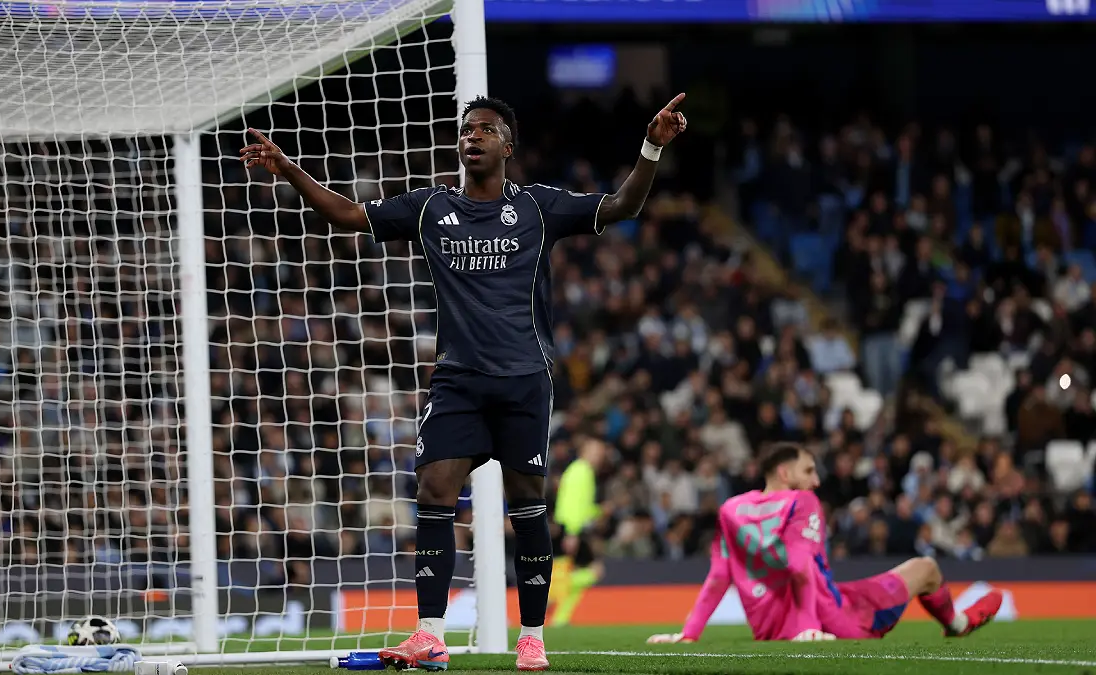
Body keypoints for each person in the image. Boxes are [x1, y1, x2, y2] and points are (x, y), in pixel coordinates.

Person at [241, 94, 687, 671]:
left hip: (524, 378)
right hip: (458, 381)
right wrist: (288, 169)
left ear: (508, 145)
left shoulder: (538, 207)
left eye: (485, 129)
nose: (471, 137)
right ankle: (429, 632)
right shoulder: (430, 208)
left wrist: (651, 146)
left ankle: (532, 636)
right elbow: (349, 215)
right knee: (433, 491)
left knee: (527, 504)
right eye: (466, 130)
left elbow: (624, 204)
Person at [647, 443, 1003, 644]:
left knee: (918, 570)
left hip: (771, 630)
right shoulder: (802, 502)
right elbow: (799, 568)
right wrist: (807, 629)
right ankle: (956, 624)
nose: (816, 481)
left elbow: (718, 577)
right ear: (785, 474)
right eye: (809, 471)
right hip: (838, 617)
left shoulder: (730, 509)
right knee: (927, 568)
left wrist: (689, 634)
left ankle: (956, 624)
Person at [548, 438, 607, 627]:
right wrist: (572, 533)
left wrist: (598, 511)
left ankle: (560, 619)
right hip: (573, 529)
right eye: (595, 452)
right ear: (584, 451)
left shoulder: (577, 470)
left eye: (601, 453)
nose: (598, 457)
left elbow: (582, 505)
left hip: (572, 528)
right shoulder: (582, 471)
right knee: (595, 571)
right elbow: (572, 504)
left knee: (576, 571)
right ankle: (553, 592)